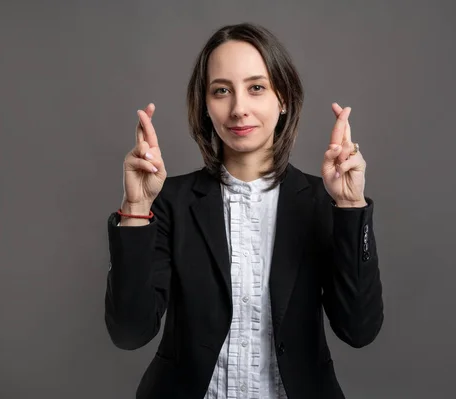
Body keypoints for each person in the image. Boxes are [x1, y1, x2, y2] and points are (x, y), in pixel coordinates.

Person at [104, 22, 384, 399]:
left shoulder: (322, 201)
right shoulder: (169, 201)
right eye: (222, 91)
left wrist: (350, 206)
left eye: (256, 88)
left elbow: (359, 330)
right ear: (205, 105)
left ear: (282, 98)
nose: (239, 109)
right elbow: (129, 333)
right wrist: (136, 208)